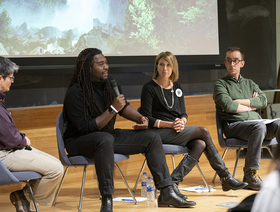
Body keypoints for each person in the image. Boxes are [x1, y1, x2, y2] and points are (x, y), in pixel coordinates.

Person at [62, 48, 196, 212]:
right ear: (88, 68)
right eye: (101, 64)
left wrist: (141, 119)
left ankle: (166, 191)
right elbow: (85, 127)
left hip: (107, 136)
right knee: (105, 139)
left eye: (106, 63)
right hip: (79, 141)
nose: (106, 67)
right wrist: (112, 109)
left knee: (151, 137)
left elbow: (123, 107)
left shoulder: (110, 84)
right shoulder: (75, 92)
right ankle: (107, 201)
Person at [140, 51, 247, 200]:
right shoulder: (149, 87)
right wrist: (171, 125)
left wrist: (181, 122)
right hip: (156, 133)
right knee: (203, 131)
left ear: (173, 68)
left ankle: (173, 183)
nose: (165, 68)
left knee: (200, 144)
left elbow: (183, 113)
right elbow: (147, 118)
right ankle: (225, 176)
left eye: (168, 65)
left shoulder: (176, 86)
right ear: (156, 66)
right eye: (161, 64)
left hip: (175, 130)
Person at [0, 56, 64, 212]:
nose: (12, 81)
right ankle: (23, 197)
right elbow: (9, 138)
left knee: (55, 165)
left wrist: (20, 139)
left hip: (10, 148)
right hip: (4, 154)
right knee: (55, 169)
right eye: (10, 77)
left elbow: (6, 131)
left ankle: (23, 199)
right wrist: (23, 140)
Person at [213, 46, 280, 190]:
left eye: (235, 61)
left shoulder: (250, 83)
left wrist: (239, 101)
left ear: (242, 63)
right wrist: (251, 104)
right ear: (225, 63)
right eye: (229, 61)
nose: (232, 64)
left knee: (279, 125)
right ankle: (250, 175)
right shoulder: (220, 84)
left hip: (256, 124)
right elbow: (229, 106)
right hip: (234, 126)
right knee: (259, 127)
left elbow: (263, 101)